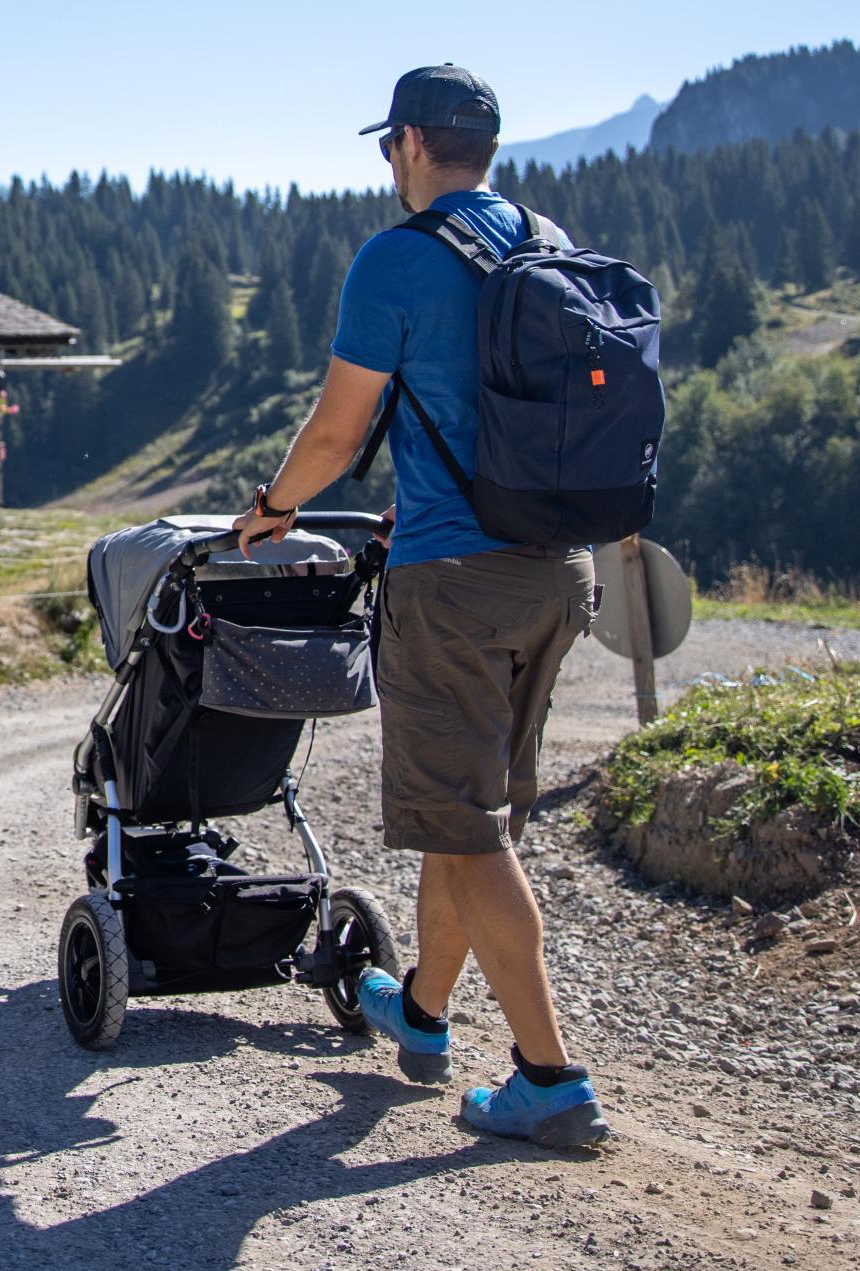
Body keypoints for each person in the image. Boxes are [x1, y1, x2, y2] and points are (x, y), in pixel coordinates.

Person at [231, 63, 610, 1150]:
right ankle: (426, 1018)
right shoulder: (546, 239)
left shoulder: (396, 259)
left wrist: (273, 507)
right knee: (472, 811)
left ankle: (550, 1076)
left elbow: (339, 436)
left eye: (387, 148)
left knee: (470, 826)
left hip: (452, 580)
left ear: (405, 145)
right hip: (556, 572)